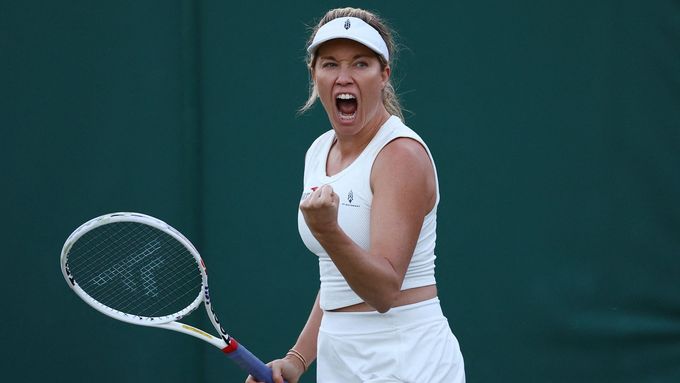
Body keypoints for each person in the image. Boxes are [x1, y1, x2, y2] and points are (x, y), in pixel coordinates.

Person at [247, 7, 465, 383]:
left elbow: (383, 292)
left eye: (360, 64)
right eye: (330, 64)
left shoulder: (400, 156)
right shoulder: (318, 152)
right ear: (313, 74)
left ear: (384, 76)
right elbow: (337, 278)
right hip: (340, 358)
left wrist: (328, 230)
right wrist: (297, 359)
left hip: (408, 359)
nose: (343, 77)